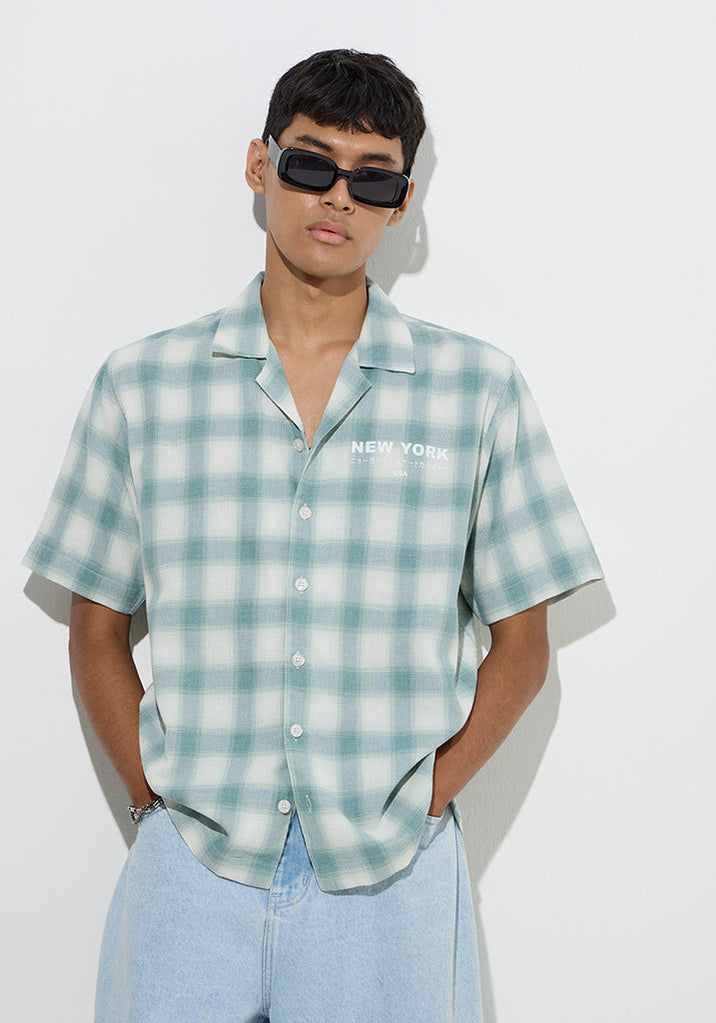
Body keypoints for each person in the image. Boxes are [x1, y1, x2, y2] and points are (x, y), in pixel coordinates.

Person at [23, 48, 603, 1023]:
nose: (336, 196)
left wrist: (426, 797)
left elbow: (522, 642)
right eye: (309, 163)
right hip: (191, 866)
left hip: (387, 874)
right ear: (260, 165)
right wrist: (153, 801)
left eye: (370, 178)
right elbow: (96, 624)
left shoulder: (476, 391)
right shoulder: (142, 385)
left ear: (399, 200)